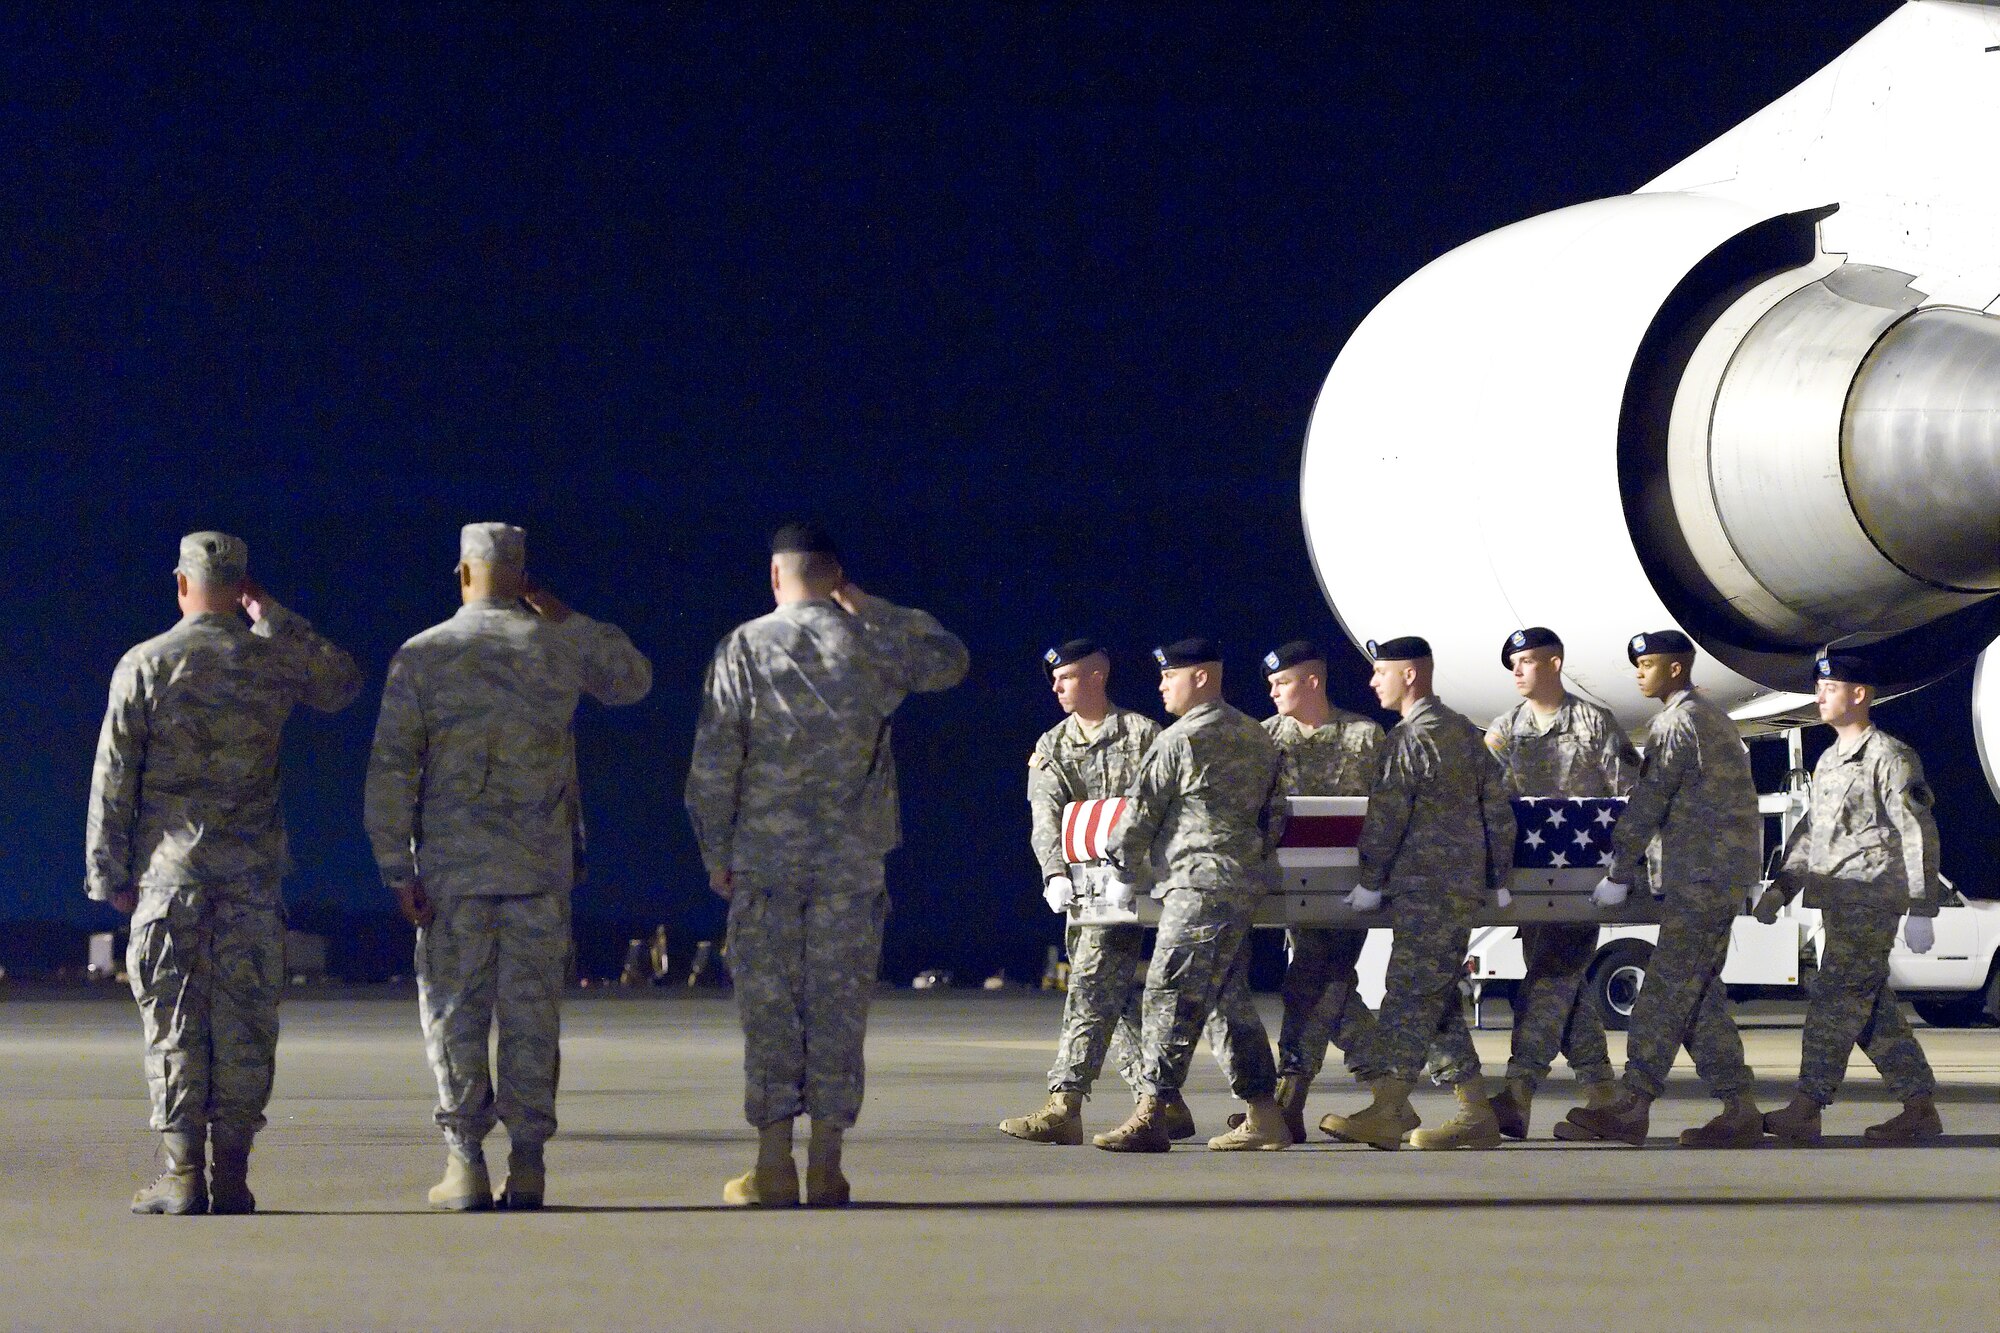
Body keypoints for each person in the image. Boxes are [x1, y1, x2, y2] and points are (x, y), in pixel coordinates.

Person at [364, 523, 652, 1210]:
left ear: (463, 573)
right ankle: (527, 1163)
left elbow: (391, 768)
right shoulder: (558, 648)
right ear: (524, 578)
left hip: (453, 874)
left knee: (454, 1014)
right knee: (531, 1017)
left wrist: (394, 866)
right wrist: (563, 614)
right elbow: (633, 679)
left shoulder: (423, 655)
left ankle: (464, 1164)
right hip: (538, 870)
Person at [686, 521, 968, 1206]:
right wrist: (869, 606)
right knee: (840, 1007)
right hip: (851, 861)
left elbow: (713, 765)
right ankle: (827, 1164)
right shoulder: (872, 646)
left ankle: (773, 1161)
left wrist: (716, 852)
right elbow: (949, 658)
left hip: (765, 859)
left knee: (770, 1007)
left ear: (776, 576)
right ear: (836, 578)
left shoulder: (745, 646)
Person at [86, 532, 361, 1215]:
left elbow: (113, 778)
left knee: (175, 1026)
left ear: (182, 584)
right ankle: (232, 1175)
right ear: (243, 588)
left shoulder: (145, 663)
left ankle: (183, 1176)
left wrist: (108, 874)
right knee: (244, 1028)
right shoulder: (270, 661)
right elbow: (342, 682)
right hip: (250, 881)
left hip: (169, 878)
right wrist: (272, 617)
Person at [1555, 630, 1763, 1148]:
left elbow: (1650, 801)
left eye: (1647, 664)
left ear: (1676, 668)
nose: (1639, 673)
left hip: (1698, 877)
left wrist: (1619, 871)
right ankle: (1739, 1106)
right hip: (1717, 875)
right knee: (1695, 997)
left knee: (1665, 992)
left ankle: (1633, 1105)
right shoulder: (1713, 718)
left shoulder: (1677, 723)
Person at [1093, 639, 1292, 1153]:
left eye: (1169, 677)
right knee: (1228, 1001)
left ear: (1201, 678)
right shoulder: (1257, 736)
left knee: (1168, 991)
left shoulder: (1178, 739)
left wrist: (1122, 867)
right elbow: (1277, 815)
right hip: (1242, 885)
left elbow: (1140, 813)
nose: (1162, 686)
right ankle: (1265, 1113)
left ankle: (1151, 1112)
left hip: (1197, 885)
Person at [1319, 637, 1516, 1151]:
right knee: (1436, 996)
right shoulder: (1464, 734)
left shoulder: (1409, 739)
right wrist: (1497, 878)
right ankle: (1475, 1111)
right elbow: (1498, 810)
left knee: (1407, 992)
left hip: (1424, 888)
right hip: (1459, 888)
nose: (1372, 681)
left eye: (1380, 671)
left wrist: (1369, 880)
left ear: (1409, 676)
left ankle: (1389, 1111)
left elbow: (1387, 818)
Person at [1754, 654, 1944, 1144]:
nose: (1819, 696)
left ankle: (1807, 1106)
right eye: (1819, 687)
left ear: (1859, 694)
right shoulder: (1830, 759)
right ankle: (1918, 1106)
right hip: (1837, 901)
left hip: (1871, 901)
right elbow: (1811, 833)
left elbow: (1917, 830)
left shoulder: (1890, 757)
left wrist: (1922, 908)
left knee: (1835, 1000)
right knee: (1869, 1008)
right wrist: (1781, 889)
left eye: (1830, 687)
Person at [998, 639, 1174, 1145]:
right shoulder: (1052, 745)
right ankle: (1160, 1101)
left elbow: (1163, 804)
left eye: (1067, 677)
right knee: (1107, 996)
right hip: (1085, 893)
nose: (1056, 686)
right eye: (1054, 679)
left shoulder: (1143, 735)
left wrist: (1137, 862)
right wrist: (1053, 873)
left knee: (1092, 987)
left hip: (1140, 885)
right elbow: (1044, 816)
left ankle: (1065, 1103)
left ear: (1097, 676)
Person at [1214, 640, 1384, 1143]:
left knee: (1313, 982)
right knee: (1322, 985)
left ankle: (1303, 1096)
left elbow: (1389, 809)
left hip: (1345, 888)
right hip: (1287, 887)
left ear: (1312, 681)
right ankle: (1375, 1088)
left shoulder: (1365, 735)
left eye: (1281, 682)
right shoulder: (1263, 738)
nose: (1271, 691)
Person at [1483, 627, 1638, 1137]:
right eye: (1513, 662)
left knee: (1549, 980)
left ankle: (1519, 1091)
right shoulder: (1504, 730)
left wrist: (1624, 872)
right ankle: (1603, 1095)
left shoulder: (1595, 723)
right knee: (1561, 985)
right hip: (1527, 881)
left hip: (1581, 879)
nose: (1518, 670)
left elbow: (1630, 798)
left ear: (1554, 663)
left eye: (1527, 660)